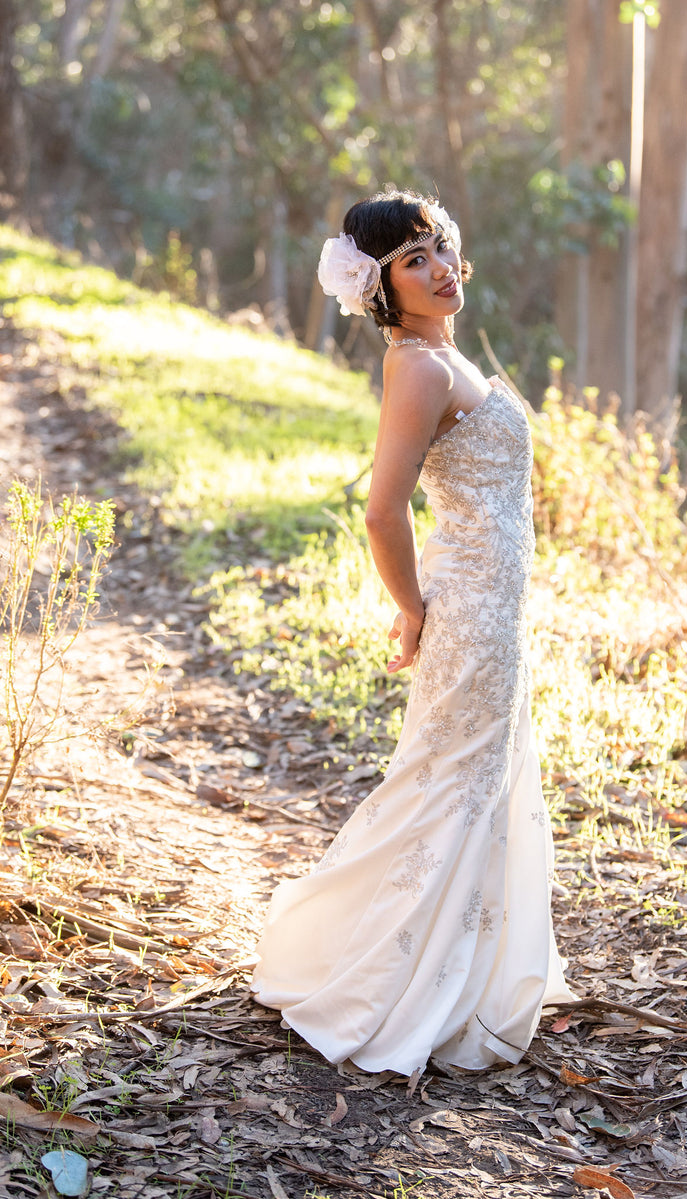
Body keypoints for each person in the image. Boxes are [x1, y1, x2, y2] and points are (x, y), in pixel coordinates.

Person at [250, 188, 574, 1075]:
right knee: (449, 780)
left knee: (472, 774)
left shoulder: (439, 353)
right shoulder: (421, 367)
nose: (440, 268)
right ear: (382, 287)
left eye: (440, 248)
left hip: (495, 605)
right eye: (413, 260)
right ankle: (390, 978)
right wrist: (415, 607)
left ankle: (464, 968)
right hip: (467, 608)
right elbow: (381, 511)